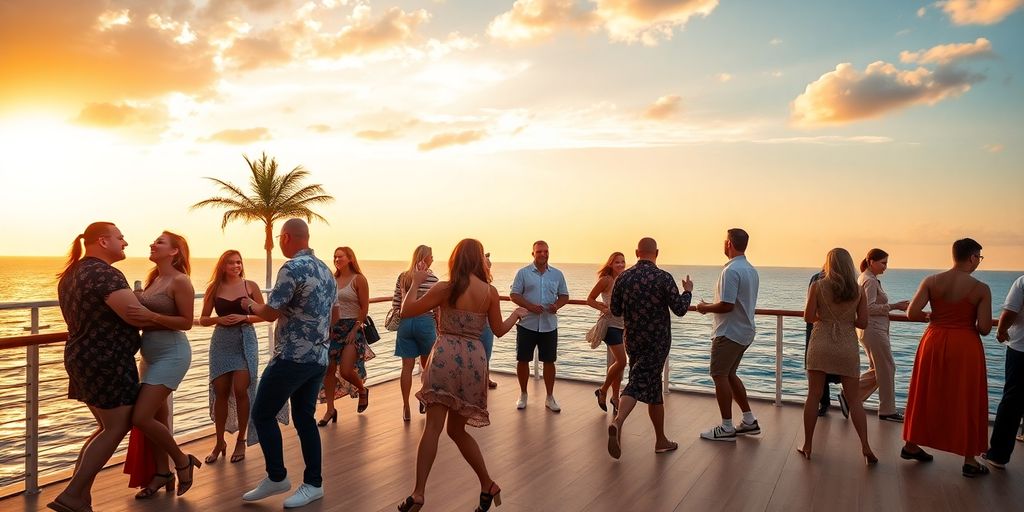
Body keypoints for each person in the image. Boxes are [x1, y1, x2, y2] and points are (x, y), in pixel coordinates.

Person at [396, 239, 527, 512]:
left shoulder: (446, 288)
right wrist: (516, 314)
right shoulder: (490, 292)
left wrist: (415, 283)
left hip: (445, 355)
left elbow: (406, 311)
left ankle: (419, 493)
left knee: (433, 427)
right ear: (480, 260)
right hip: (474, 360)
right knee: (456, 430)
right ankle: (488, 484)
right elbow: (499, 330)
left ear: (455, 258)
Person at [49, 223, 153, 512]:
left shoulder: (72, 273)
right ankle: (72, 494)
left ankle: (81, 497)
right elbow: (134, 315)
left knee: (106, 427)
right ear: (104, 241)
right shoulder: (104, 273)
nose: (125, 243)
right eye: (120, 238)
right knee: (117, 426)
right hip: (106, 360)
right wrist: (175, 320)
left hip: (82, 356)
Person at [240, 219, 337, 507]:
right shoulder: (326, 270)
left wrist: (249, 304)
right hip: (318, 357)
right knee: (305, 419)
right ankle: (313, 484)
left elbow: (270, 313)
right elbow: (335, 315)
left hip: (292, 357)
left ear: (285, 237)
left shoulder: (291, 268)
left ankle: (277, 476)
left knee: (262, 414)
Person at [902, 238, 992, 478]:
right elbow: (984, 328)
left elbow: (912, 313)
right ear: (972, 257)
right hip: (965, 346)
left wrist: (933, 317)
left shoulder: (931, 281)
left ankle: (911, 444)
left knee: (926, 391)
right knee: (966, 397)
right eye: (979, 258)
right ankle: (969, 460)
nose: (979, 262)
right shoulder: (981, 289)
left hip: (933, 340)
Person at [127, 231, 202, 498]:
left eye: (160, 242)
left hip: (172, 354)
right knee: (157, 418)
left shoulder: (181, 281)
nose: (152, 243)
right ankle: (162, 473)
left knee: (140, 417)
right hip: (149, 356)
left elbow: (186, 322)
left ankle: (182, 461)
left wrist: (151, 316)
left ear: (174, 251)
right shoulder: (155, 279)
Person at [606, 238, 692, 459]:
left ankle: (661, 440)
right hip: (657, 341)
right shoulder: (663, 277)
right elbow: (680, 309)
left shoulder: (623, 277)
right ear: (657, 253)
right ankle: (618, 421)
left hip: (633, 339)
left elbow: (615, 310)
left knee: (653, 388)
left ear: (637, 252)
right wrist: (687, 291)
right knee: (638, 382)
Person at [799, 248, 876, 465]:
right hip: (846, 346)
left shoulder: (817, 286)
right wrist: (845, 320)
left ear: (829, 264)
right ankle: (866, 447)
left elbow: (808, 317)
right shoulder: (858, 290)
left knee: (813, 395)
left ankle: (807, 445)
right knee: (854, 400)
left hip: (820, 342)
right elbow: (863, 323)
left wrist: (825, 318)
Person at [198, 250, 266, 464]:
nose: (236, 266)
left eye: (238, 262)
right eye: (231, 263)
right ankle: (219, 442)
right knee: (220, 392)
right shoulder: (214, 288)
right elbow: (203, 319)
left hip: (245, 340)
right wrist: (218, 320)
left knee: (241, 390)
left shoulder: (250, 286)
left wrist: (245, 317)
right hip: (221, 342)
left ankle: (241, 439)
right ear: (223, 266)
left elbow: (265, 314)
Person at [696, 228, 761, 441]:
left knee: (719, 375)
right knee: (730, 374)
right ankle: (749, 420)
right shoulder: (751, 270)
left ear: (729, 244)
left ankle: (726, 427)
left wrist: (704, 307)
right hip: (745, 330)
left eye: (725, 241)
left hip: (729, 332)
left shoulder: (731, 271)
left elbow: (727, 305)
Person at [510, 241, 569, 412]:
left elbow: (564, 295)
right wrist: (530, 306)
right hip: (527, 324)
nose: (543, 254)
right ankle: (523, 394)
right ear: (533, 254)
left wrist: (556, 305)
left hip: (549, 325)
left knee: (549, 361)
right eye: (539, 251)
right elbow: (514, 294)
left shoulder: (557, 274)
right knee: (523, 359)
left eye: (545, 251)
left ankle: (550, 397)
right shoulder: (523, 273)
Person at [854, 248, 910, 422]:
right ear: (871, 261)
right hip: (874, 330)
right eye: (883, 263)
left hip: (870, 330)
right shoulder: (870, 281)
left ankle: (850, 396)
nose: (886, 266)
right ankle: (887, 410)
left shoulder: (865, 278)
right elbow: (868, 308)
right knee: (887, 368)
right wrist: (895, 306)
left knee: (879, 369)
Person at [319, 247, 373, 425]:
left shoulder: (359, 279)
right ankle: (330, 410)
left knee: (346, 370)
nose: (336, 259)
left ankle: (362, 389)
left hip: (352, 328)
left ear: (350, 258)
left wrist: (355, 329)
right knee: (328, 370)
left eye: (340, 256)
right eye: (334, 257)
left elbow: (364, 307)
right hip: (333, 329)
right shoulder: (332, 280)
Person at [392, 245, 439, 421]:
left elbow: (396, 303)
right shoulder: (433, 279)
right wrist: (438, 326)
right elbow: (437, 307)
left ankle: (405, 407)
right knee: (427, 367)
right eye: (431, 256)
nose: (433, 259)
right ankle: (424, 397)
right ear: (426, 258)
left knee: (407, 367)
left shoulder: (403, 277)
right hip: (425, 322)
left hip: (405, 323)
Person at [983, 274, 1024, 469]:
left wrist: (1001, 331)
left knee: (1012, 401)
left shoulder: (1022, 282)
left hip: (1021, 350)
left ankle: (998, 455)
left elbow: (1009, 313)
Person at [587, 252, 627, 415]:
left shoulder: (624, 279)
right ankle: (603, 390)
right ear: (610, 264)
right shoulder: (606, 280)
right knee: (622, 361)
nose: (620, 264)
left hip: (623, 326)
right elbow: (590, 299)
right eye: (617, 262)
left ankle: (615, 398)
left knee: (616, 365)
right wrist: (603, 308)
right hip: (610, 325)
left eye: (623, 262)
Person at [806, 270, 842, 417]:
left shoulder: (816, 280)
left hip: (820, 328)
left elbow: (809, 311)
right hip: (836, 329)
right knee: (824, 367)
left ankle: (827, 402)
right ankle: (832, 400)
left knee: (819, 367)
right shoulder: (848, 281)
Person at [480, 252, 498, 389]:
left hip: (485, 322)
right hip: (483, 323)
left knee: (486, 353)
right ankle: (483, 378)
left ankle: (485, 377)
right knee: (485, 352)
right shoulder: (487, 288)